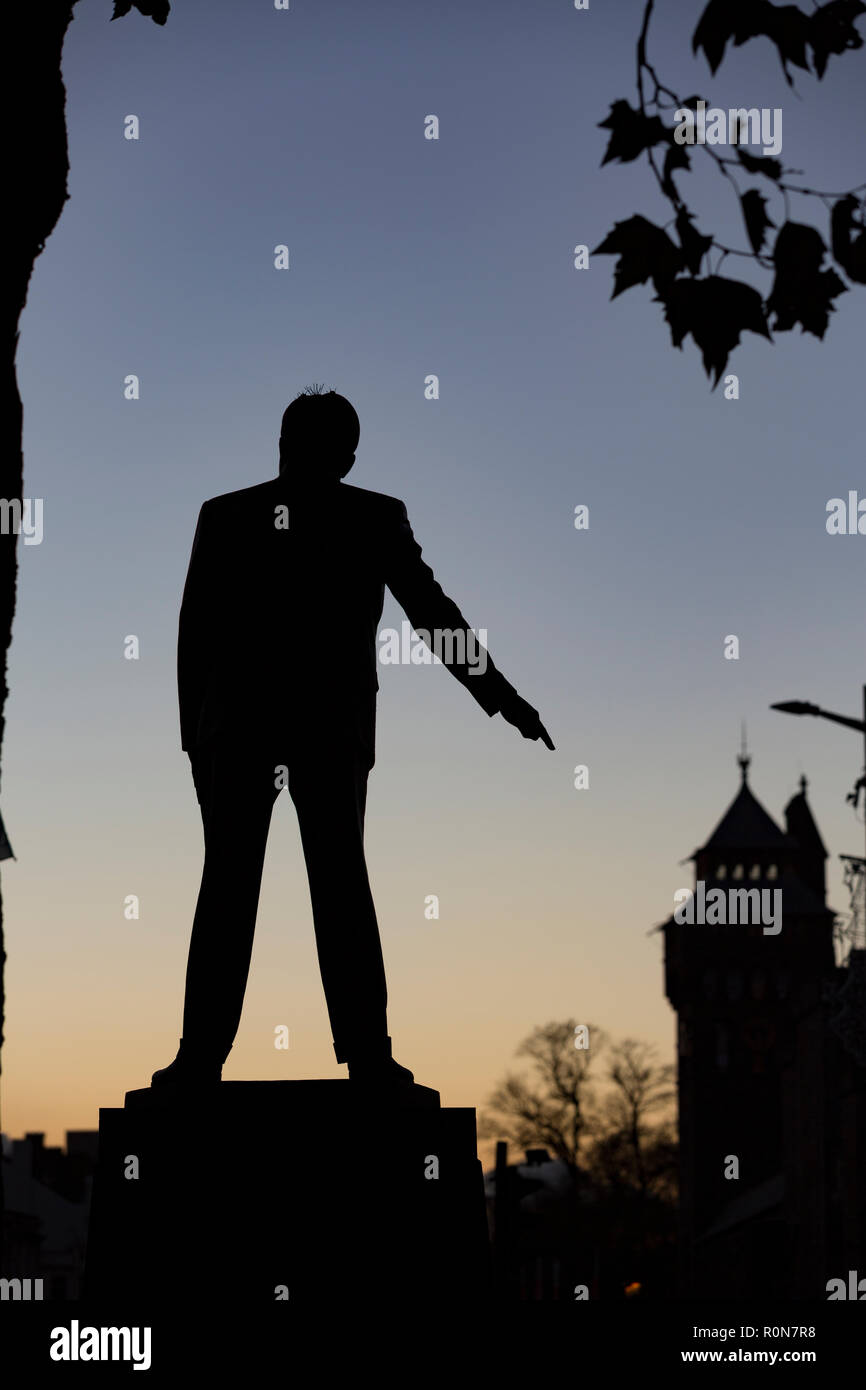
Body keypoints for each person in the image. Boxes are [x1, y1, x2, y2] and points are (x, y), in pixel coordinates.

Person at [152, 386, 553, 1092]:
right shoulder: (368, 517)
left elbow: (194, 641)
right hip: (308, 731)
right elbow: (433, 614)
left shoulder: (230, 515)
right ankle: (360, 1053)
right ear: (347, 454)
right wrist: (501, 695)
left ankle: (206, 1056)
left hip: (246, 730)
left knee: (242, 888)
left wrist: (196, 742)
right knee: (331, 887)